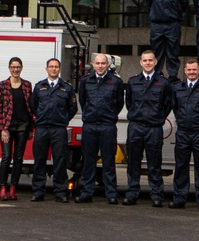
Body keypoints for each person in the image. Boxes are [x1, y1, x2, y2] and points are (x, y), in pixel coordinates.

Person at [123, 50, 172, 206]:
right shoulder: (133, 81)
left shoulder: (163, 83)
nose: (148, 63)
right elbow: (129, 102)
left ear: (155, 62)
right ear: (141, 62)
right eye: (145, 60)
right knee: (133, 162)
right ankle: (132, 193)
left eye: (150, 60)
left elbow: (168, 104)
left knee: (154, 163)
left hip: (154, 127)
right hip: (136, 126)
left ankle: (157, 195)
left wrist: (158, 117)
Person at [76, 52, 125, 204]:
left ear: (108, 65)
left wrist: (109, 115)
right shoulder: (85, 81)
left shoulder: (115, 82)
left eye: (103, 63)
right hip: (90, 125)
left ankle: (111, 193)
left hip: (107, 126)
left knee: (108, 161)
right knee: (88, 161)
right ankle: (87, 192)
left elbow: (119, 103)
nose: (100, 66)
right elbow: (83, 101)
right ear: (92, 64)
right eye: (97, 63)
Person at [170, 59, 199, 210]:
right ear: (184, 71)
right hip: (183, 132)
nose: (191, 72)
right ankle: (179, 198)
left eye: (194, 70)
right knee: (181, 166)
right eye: (189, 70)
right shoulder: (177, 87)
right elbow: (175, 107)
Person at [30, 57, 78, 202]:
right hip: (42, 128)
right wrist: (41, 118)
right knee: (39, 160)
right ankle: (38, 191)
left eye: (56, 67)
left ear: (59, 69)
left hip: (59, 129)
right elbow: (33, 105)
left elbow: (73, 108)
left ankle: (61, 192)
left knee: (60, 161)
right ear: (46, 69)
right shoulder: (39, 87)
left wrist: (63, 119)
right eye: (51, 66)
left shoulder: (66, 88)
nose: (53, 69)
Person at [0, 57, 33, 201]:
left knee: (18, 158)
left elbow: (30, 108)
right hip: (7, 127)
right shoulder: (3, 85)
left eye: (18, 67)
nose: (15, 69)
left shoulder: (27, 85)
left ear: (21, 68)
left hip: (23, 126)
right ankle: (3, 187)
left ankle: (13, 187)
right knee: (6, 157)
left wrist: (30, 128)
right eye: (13, 67)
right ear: (9, 68)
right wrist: (3, 128)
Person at [143, 0, 188, 78]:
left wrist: (175, 13)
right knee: (156, 53)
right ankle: (156, 77)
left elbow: (184, 4)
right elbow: (147, 3)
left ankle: (173, 77)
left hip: (173, 24)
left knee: (173, 53)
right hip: (157, 24)